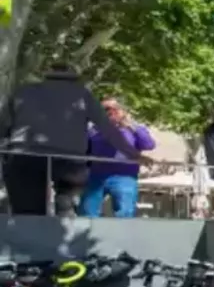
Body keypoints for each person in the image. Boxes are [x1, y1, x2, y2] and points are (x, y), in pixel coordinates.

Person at [0, 63, 148, 215]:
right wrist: (134, 154)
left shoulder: (23, 92)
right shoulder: (82, 95)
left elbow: (3, 125)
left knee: (28, 212)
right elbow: (108, 130)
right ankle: (65, 216)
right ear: (74, 78)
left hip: (26, 155)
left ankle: (29, 233)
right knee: (66, 204)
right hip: (68, 158)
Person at [79, 98, 155, 218]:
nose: (107, 112)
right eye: (103, 109)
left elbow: (149, 145)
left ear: (121, 110)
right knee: (87, 211)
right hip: (96, 176)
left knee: (125, 213)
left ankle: (122, 236)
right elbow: (82, 147)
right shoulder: (94, 129)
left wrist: (132, 125)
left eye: (109, 109)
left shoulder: (133, 128)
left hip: (124, 177)